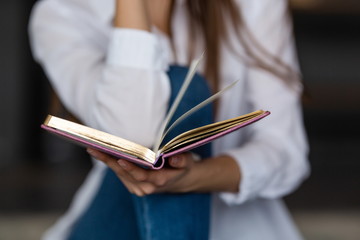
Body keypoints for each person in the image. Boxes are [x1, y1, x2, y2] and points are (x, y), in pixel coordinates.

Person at [29, 0, 310, 239]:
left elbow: (285, 151)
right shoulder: (62, 13)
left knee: (183, 88)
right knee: (181, 86)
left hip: (240, 227)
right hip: (119, 215)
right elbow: (132, 136)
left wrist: (195, 177)